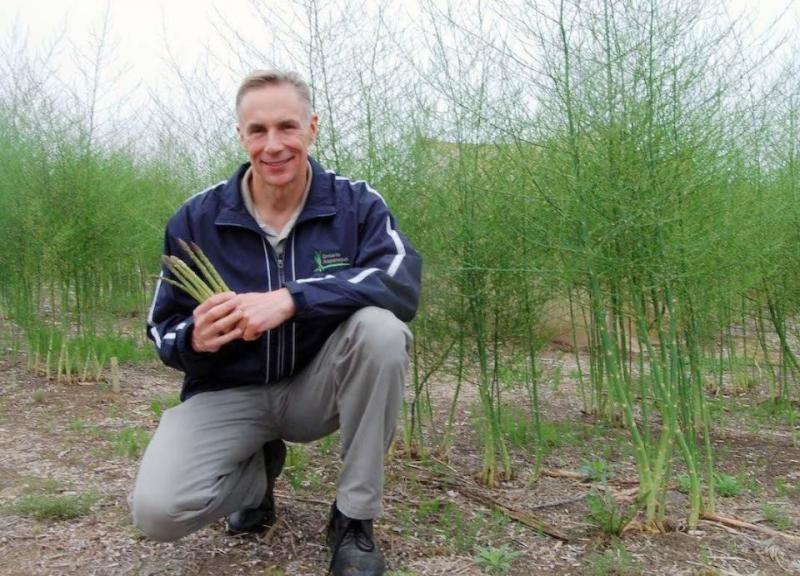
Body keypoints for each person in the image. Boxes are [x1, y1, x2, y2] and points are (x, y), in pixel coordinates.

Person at [132, 70, 421, 576]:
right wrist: (195, 338)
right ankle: (258, 477)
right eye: (257, 131)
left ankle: (353, 519)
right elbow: (162, 329)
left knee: (381, 330)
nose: (273, 145)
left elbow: (399, 282)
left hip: (317, 386)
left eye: (287, 127)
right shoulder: (196, 219)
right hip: (229, 391)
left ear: (312, 127)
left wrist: (293, 298)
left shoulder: (355, 204)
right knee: (157, 512)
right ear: (240, 136)